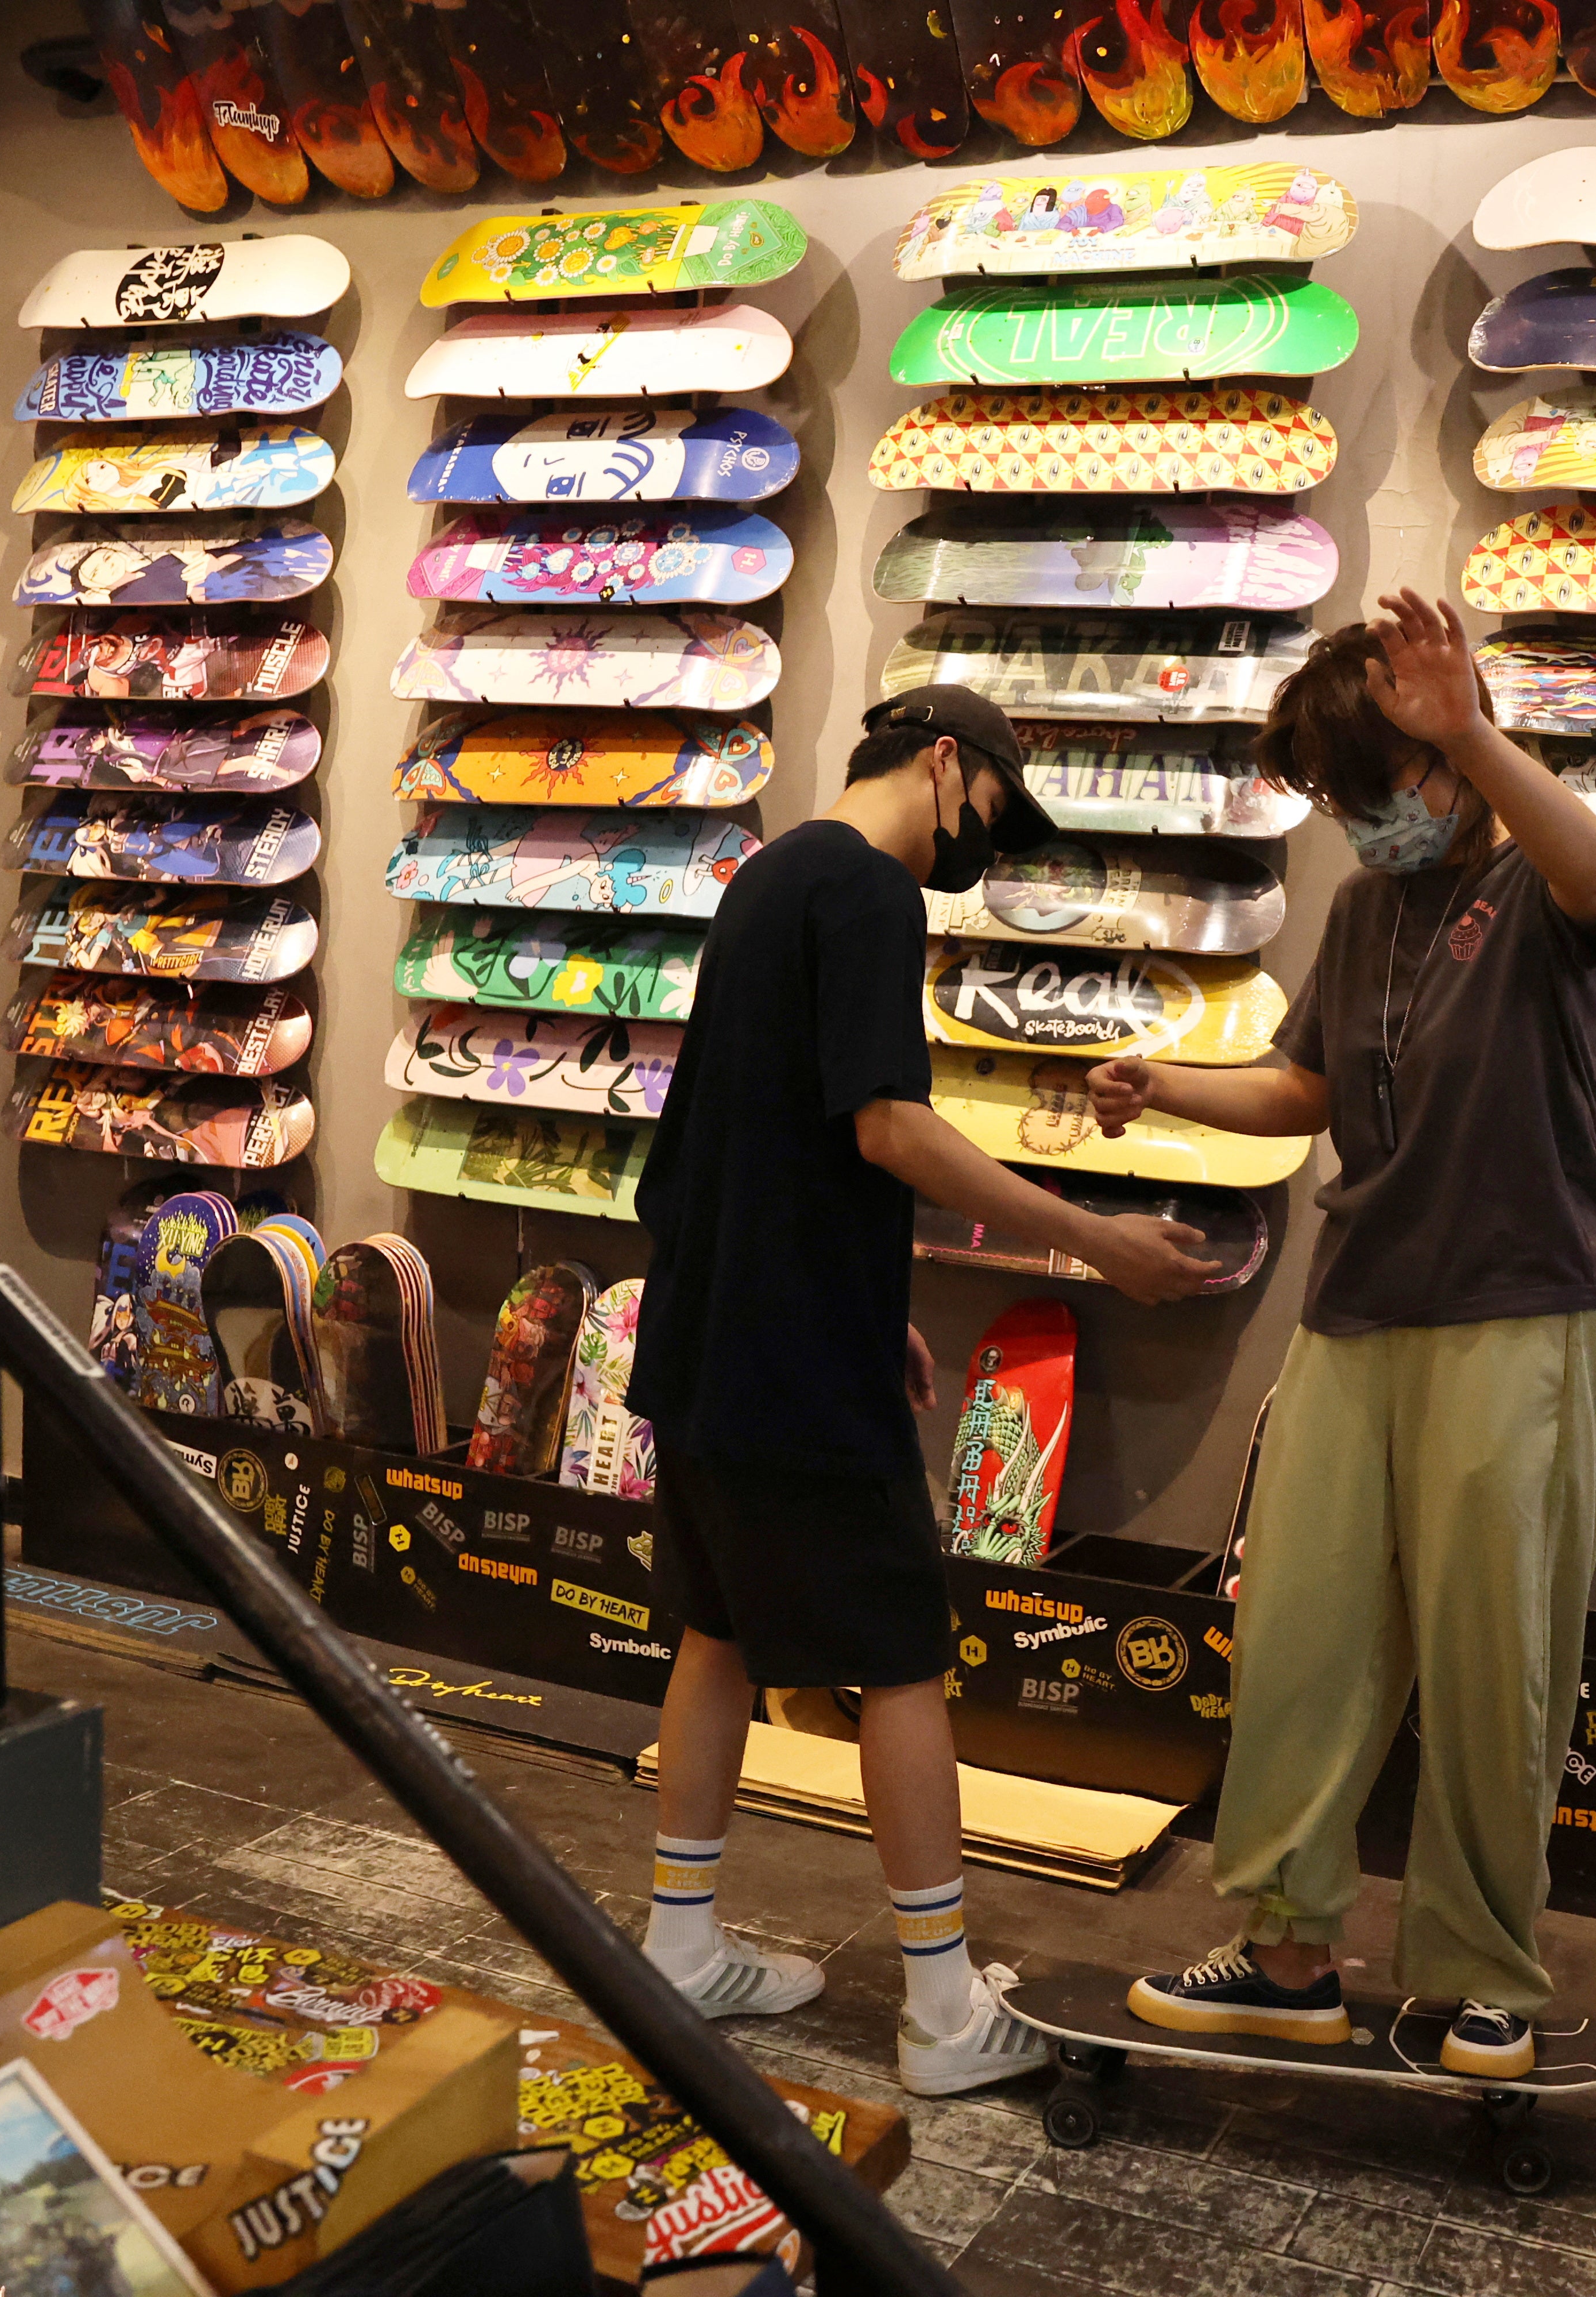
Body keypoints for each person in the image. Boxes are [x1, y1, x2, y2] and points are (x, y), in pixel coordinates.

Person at [625, 685, 1222, 2094]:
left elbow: (766, 1132)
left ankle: (680, 1941)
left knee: (718, 1630)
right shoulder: (876, 893)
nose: (991, 846)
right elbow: (888, 1126)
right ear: (947, 764)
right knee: (898, 1659)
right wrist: (1095, 1239)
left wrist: (876, 1302)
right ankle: (947, 2011)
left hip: (710, 1330)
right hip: (792, 1361)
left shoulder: (767, 876)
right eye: (998, 810)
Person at [1102, 587, 1596, 2079]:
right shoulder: (1360, 911)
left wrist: (1474, 728)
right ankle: (1285, 1953)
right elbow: (1304, 1093)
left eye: (1374, 782)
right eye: (1339, 796)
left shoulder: (1536, 888)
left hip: (1519, 1311)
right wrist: (1166, 1087)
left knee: (1493, 1657)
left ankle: (1485, 1974)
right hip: (1360, 1307)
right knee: (1303, 1636)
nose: (1360, 818)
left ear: (1443, 759)